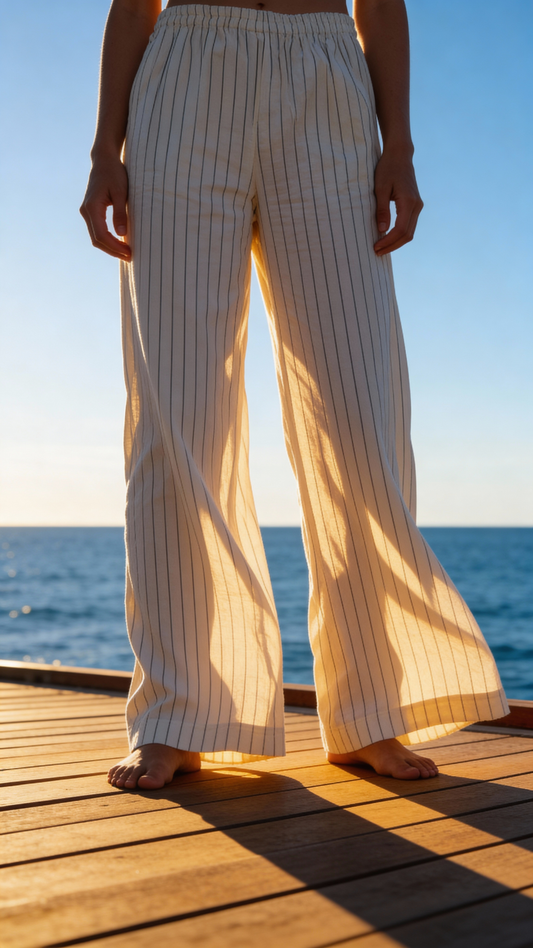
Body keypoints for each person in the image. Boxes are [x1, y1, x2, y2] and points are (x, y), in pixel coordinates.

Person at [80, 0, 508, 791]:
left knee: (357, 414)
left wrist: (399, 146)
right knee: (178, 415)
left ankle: (371, 707)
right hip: (183, 72)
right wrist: (105, 147)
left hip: (324, 77)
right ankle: (181, 710)